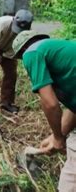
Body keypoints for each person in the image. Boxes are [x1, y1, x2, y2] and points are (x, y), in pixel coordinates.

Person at [12, 31, 76, 191]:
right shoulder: (63, 53)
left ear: (21, 51)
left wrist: (59, 138)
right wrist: (57, 135)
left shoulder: (31, 53)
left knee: (72, 173)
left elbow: (50, 103)